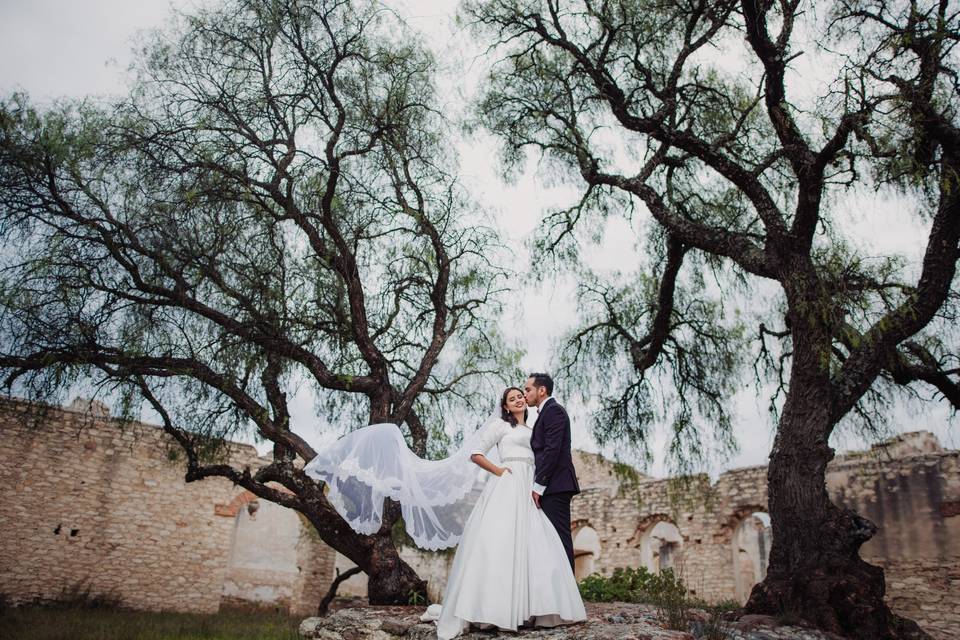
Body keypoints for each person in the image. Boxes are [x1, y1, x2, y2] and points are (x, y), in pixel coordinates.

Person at [302, 385, 586, 639]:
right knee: (499, 541)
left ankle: (528, 607)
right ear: (505, 406)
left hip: (527, 486)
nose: (519, 400)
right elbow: (476, 453)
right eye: (512, 399)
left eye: (521, 396)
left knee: (530, 543)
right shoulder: (500, 427)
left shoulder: (532, 429)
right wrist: (499, 470)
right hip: (508, 483)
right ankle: (495, 610)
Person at [525, 372, 580, 570]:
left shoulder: (554, 411)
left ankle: (568, 596)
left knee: (559, 539)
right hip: (553, 485)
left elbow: (552, 451)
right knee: (550, 540)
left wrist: (538, 486)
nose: (525, 394)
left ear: (542, 390)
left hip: (556, 486)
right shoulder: (546, 412)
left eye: (528, 389)